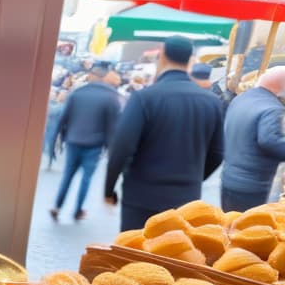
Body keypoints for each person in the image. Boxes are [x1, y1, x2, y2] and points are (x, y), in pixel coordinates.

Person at [104, 36, 225, 231]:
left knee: (134, 255)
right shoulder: (211, 102)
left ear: (162, 56)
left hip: (142, 196)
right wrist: (192, 178)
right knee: (172, 254)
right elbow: (218, 153)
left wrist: (109, 189)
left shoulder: (145, 98)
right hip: (185, 198)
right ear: (189, 60)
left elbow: (122, 147)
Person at [49, 62, 121, 221]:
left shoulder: (77, 93)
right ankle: (77, 210)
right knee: (86, 179)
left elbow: (63, 119)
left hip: (73, 141)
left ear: (91, 75)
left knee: (67, 175)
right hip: (94, 145)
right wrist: (111, 152)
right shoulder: (111, 97)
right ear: (105, 77)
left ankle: (57, 206)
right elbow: (112, 129)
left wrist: (55, 141)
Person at [220, 66, 285, 211]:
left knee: (230, 225)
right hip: (251, 185)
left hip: (229, 179)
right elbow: (269, 141)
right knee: (248, 229)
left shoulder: (242, 98)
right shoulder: (272, 108)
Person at [42, 88, 69, 169]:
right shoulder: (56, 105)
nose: (59, 96)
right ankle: (50, 159)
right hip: (50, 128)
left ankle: (50, 160)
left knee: (50, 145)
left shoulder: (62, 107)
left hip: (55, 130)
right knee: (47, 145)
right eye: (60, 95)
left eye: (62, 95)